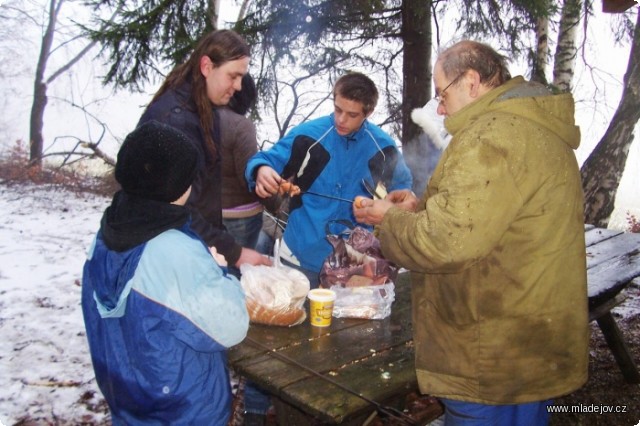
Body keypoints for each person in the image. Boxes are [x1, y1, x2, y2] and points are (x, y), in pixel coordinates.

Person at [354, 40, 589, 425]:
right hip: (531, 338)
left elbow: (444, 242)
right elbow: (491, 215)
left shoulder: (491, 135)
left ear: (473, 81)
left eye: (443, 93)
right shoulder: (531, 124)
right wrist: (418, 206)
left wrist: (389, 220)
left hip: (491, 349)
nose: (441, 107)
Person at [81, 121, 249, 425]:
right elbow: (231, 326)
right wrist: (222, 273)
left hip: (129, 400)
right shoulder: (175, 251)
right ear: (176, 186)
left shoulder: (106, 233)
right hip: (184, 410)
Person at [245, 71, 413, 288]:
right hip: (299, 257)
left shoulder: (383, 147)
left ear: (368, 112)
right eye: (338, 109)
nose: (341, 120)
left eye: (352, 115)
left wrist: (396, 205)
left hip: (353, 264)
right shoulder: (309, 135)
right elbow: (264, 160)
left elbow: (403, 189)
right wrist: (261, 170)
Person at [138, 29, 270, 270]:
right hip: (172, 251)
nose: (239, 86)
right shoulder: (175, 122)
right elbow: (175, 209)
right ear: (207, 66)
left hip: (194, 243)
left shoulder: (204, 111)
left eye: (242, 77)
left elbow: (203, 195)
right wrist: (234, 252)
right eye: (233, 76)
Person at [219, 73, 263, 253]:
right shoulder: (240, 126)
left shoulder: (202, 119)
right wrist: (277, 202)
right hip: (240, 217)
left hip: (207, 213)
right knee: (239, 271)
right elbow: (250, 177)